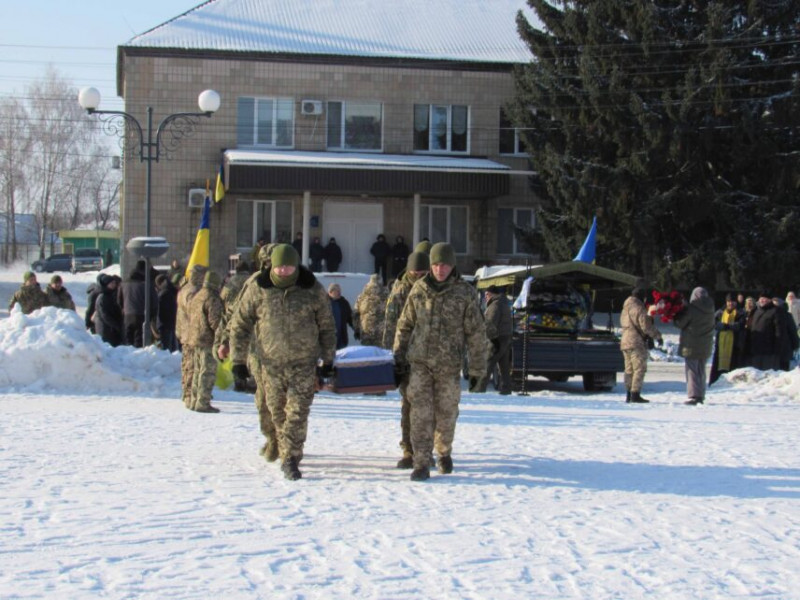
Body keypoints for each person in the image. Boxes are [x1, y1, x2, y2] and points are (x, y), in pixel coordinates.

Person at [229, 244, 336, 481]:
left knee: (297, 412)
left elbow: (327, 327)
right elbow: (240, 325)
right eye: (280, 267)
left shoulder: (312, 289)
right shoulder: (258, 288)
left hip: (303, 364)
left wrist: (328, 360)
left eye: (289, 266)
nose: (285, 271)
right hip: (271, 365)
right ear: (272, 266)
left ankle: (290, 457)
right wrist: (237, 361)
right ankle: (284, 448)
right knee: (277, 413)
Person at [393, 242, 488, 481]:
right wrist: (397, 359)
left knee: (446, 414)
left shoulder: (464, 292)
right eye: (435, 264)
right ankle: (421, 462)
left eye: (444, 264)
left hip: (448, 365)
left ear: (452, 265)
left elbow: (476, 333)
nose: (440, 269)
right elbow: (404, 326)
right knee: (420, 414)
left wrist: (477, 370)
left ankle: (444, 452)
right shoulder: (419, 289)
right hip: (420, 363)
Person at [382, 251, 430, 468]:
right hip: (405, 356)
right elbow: (391, 323)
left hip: (430, 356)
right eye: (414, 272)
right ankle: (409, 450)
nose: (418, 276)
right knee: (409, 405)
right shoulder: (400, 290)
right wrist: (389, 357)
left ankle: (426, 451)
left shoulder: (434, 287)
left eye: (422, 272)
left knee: (430, 406)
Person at [185, 270, 224, 413]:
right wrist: (222, 337)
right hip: (207, 340)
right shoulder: (212, 298)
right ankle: (203, 402)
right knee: (207, 372)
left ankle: (194, 401)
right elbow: (215, 321)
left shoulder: (197, 296)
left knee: (197, 371)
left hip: (194, 338)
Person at [619, 286, 662, 403]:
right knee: (639, 368)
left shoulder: (625, 308)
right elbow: (646, 327)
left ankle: (628, 394)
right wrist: (657, 336)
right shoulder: (639, 308)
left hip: (625, 341)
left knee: (628, 370)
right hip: (636, 342)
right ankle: (635, 394)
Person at [673, 287, 715, 405]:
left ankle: (694, 395)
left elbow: (681, 323)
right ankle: (701, 394)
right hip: (706, 344)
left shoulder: (691, 309)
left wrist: (677, 315)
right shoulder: (710, 308)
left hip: (691, 343)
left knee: (691, 370)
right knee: (701, 370)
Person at [176, 265, 208, 408]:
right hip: (191, 333)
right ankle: (189, 394)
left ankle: (186, 392)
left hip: (184, 331)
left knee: (187, 364)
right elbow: (193, 311)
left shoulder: (185, 289)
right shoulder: (193, 291)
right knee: (191, 365)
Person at [477, 285, 513, 395]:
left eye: (487, 294)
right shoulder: (504, 303)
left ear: (493, 294)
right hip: (506, 337)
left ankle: (480, 389)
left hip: (496, 339)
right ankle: (506, 389)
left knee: (488, 363)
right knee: (504, 365)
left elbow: (490, 324)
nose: (486, 297)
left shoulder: (495, 305)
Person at [118, 259, 158, 347]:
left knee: (128, 339)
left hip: (127, 315)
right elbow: (154, 301)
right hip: (141, 314)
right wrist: (152, 315)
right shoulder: (146, 283)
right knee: (139, 339)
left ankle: (129, 357)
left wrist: (124, 309)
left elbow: (119, 300)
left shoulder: (124, 283)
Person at [709, 294, 746, 385]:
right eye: (729, 302)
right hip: (721, 343)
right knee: (718, 364)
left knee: (733, 364)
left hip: (734, 343)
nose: (730, 304)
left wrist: (727, 326)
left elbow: (740, 325)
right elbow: (713, 322)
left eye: (732, 302)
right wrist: (720, 326)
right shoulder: (720, 312)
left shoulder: (740, 312)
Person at [748, 292, 783, 370]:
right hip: (755, 348)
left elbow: (779, 330)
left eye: (764, 299)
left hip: (769, 349)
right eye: (760, 299)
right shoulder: (756, 311)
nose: (762, 301)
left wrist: (777, 346)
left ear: (769, 300)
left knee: (767, 373)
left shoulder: (775, 311)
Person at [354, 273, 388, 346]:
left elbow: (356, 313)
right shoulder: (387, 296)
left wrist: (356, 329)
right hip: (381, 331)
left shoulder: (362, 296)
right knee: (379, 354)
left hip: (366, 331)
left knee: (367, 353)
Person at [93, 274, 124, 347]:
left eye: (114, 283)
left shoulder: (110, 295)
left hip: (111, 329)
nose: (114, 285)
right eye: (111, 283)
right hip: (106, 329)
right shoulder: (102, 297)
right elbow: (104, 315)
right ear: (106, 284)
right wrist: (116, 325)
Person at [773, 298, 799, 371]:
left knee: (783, 369)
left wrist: (796, 345)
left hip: (785, 347)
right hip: (771, 349)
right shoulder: (768, 314)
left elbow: (792, 331)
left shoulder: (787, 315)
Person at [155, 274, 179, 352]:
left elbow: (160, 311)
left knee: (165, 349)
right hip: (173, 323)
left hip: (164, 324)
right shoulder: (172, 291)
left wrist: (157, 324)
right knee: (173, 349)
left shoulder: (163, 294)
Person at [328, 283, 354, 349]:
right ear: (330, 292)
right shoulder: (324, 302)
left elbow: (351, 318)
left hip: (341, 339)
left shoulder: (344, 303)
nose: (339, 292)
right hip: (327, 339)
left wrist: (357, 330)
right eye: (337, 291)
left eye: (339, 290)